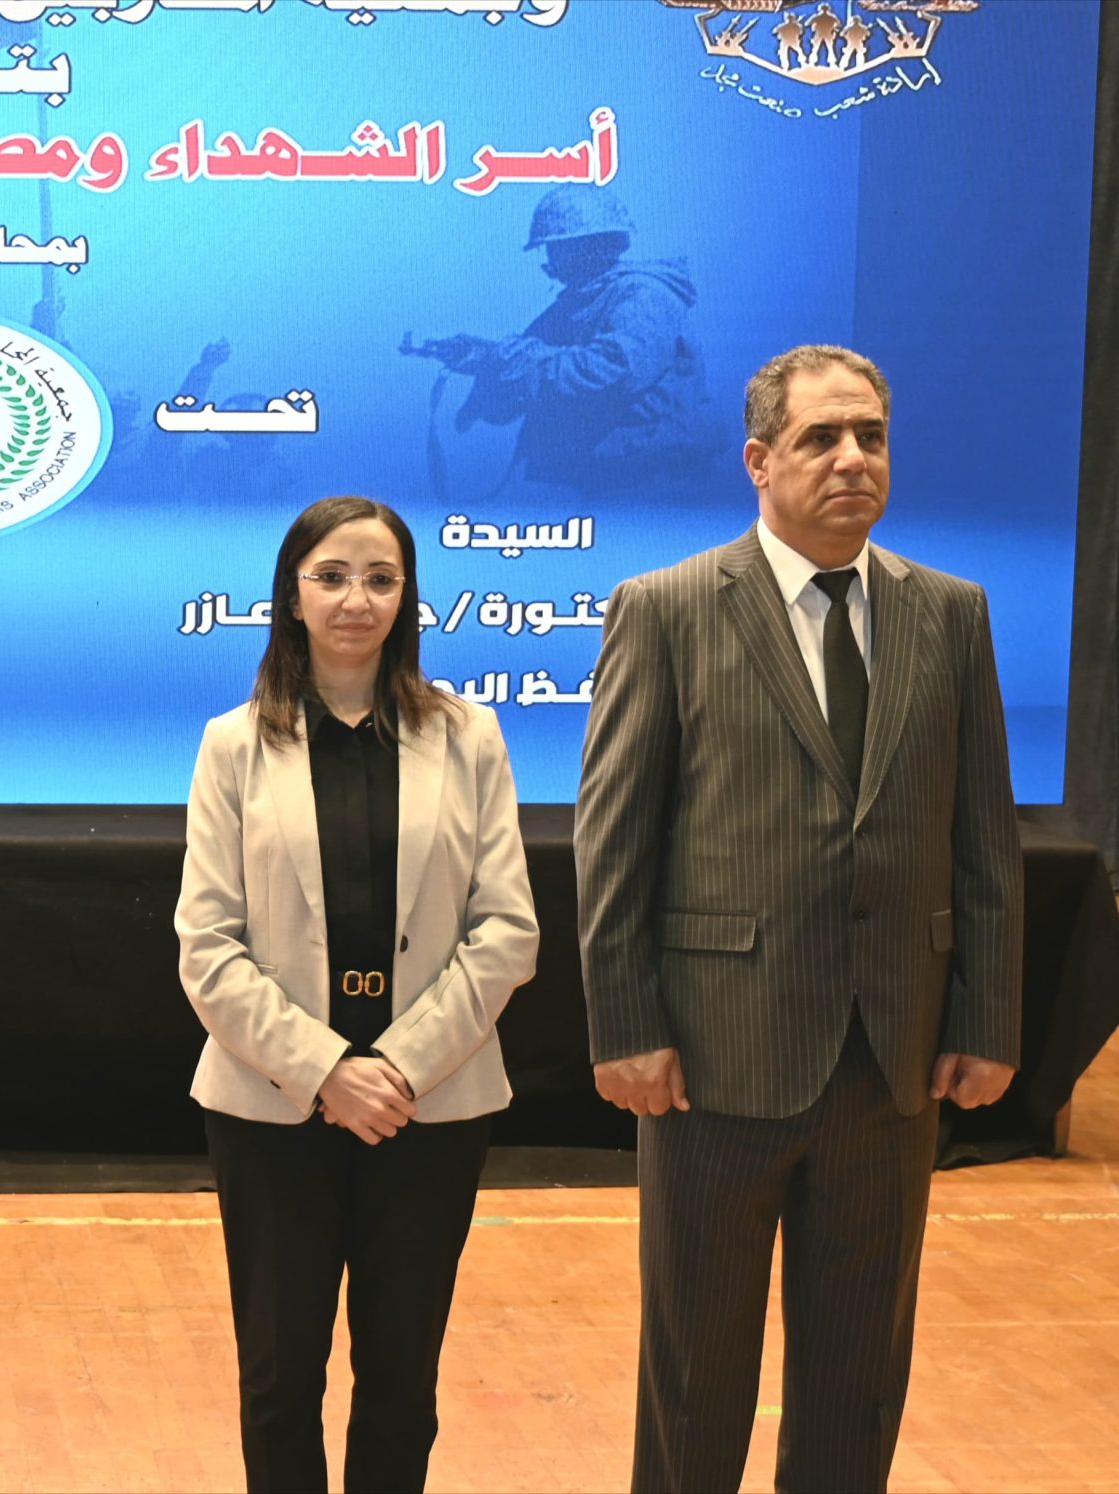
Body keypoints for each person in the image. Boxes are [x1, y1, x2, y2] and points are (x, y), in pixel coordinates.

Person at [576, 344, 1022, 1491]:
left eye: (870, 436)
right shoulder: (665, 610)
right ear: (758, 461)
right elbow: (614, 842)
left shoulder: (951, 613)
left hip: (892, 1066)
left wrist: (985, 1017)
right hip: (712, 1064)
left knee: (857, 1383)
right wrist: (623, 1025)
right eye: (821, 438)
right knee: (695, 1380)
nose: (851, 459)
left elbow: (983, 838)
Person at [176, 495, 539, 1492]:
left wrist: (399, 1069)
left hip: (431, 1107)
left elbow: (507, 930)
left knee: (401, 1383)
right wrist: (327, 1070)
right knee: (279, 1383)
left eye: (381, 580)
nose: (356, 600)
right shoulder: (231, 744)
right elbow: (207, 946)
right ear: (291, 596)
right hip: (272, 1111)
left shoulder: (469, 735)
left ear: (407, 599)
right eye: (331, 577)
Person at [410, 187, 715, 493]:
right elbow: (519, 387)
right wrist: (484, 362)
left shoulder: (644, 295)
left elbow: (614, 371)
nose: (551, 259)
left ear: (589, 246)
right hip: (609, 483)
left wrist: (507, 359)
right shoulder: (574, 306)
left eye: (557, 247)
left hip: (664, 483)